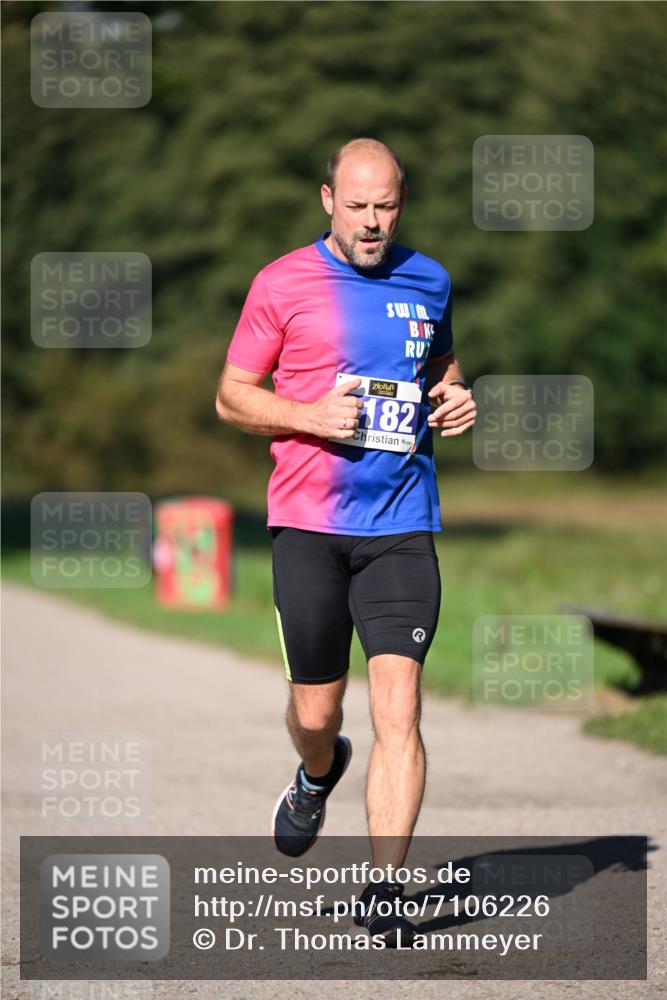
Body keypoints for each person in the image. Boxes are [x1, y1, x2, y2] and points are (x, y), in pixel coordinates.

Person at [216, 137, 476, 946]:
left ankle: (386, 887)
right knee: (316, 710)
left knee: (399, 705)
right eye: (357, 205)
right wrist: (306, 415)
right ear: (327, 199)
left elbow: (439, 365)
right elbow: (231, 396)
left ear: (402, 203)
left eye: (385, 206)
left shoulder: (429, 279)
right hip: (308, 526)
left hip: (401, 524)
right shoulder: (282, 282)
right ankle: (316, 770)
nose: (371, 222)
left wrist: (455, 396)